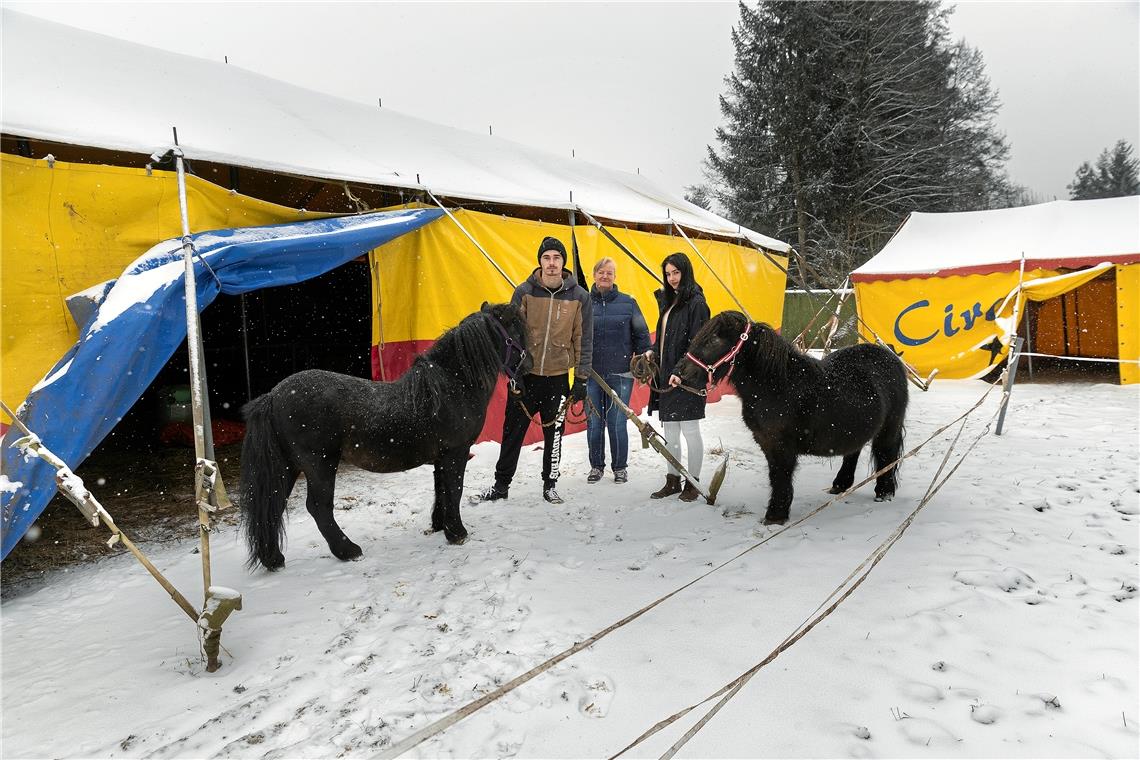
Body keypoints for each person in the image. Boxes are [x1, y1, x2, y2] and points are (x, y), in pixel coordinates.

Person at [473, 235, 592, 505]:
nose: (552, 263)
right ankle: (501, 486)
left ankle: (550, 485)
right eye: (547, 258)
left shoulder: (579, 297)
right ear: (539, 261)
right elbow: (510, 338)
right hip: (525, 378)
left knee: (555, 436)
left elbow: (585, 339)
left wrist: (581, 379)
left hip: (558, 379)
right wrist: (515, 375)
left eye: (557, 258)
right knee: (512, 434)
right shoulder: (524, 291)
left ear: (564, 262)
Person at [643, 252, 710, 502]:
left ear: (686, 272)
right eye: (668, 273)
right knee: (670, 430)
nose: (671, 278)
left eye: (676, 272)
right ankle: (672, 480)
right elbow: (664, 338)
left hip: (688, 378)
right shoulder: (669, 302)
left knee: (690, 430)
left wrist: (681, 372)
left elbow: (698, 345)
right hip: (667, 376)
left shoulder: (696, 303)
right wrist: (653, 351)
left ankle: (692, 482)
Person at [585, 257, 652, 485]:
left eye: (610, 273)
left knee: (617, 422)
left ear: (615, 277)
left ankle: (620, 468)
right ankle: (596, 466)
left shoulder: (628, 303)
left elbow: (642, 335)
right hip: (591, 374)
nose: (605, 276)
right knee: (594, 422)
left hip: (621, 373)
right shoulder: (583, 303)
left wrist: (646, 356)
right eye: (601, 272)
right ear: (594, 275)